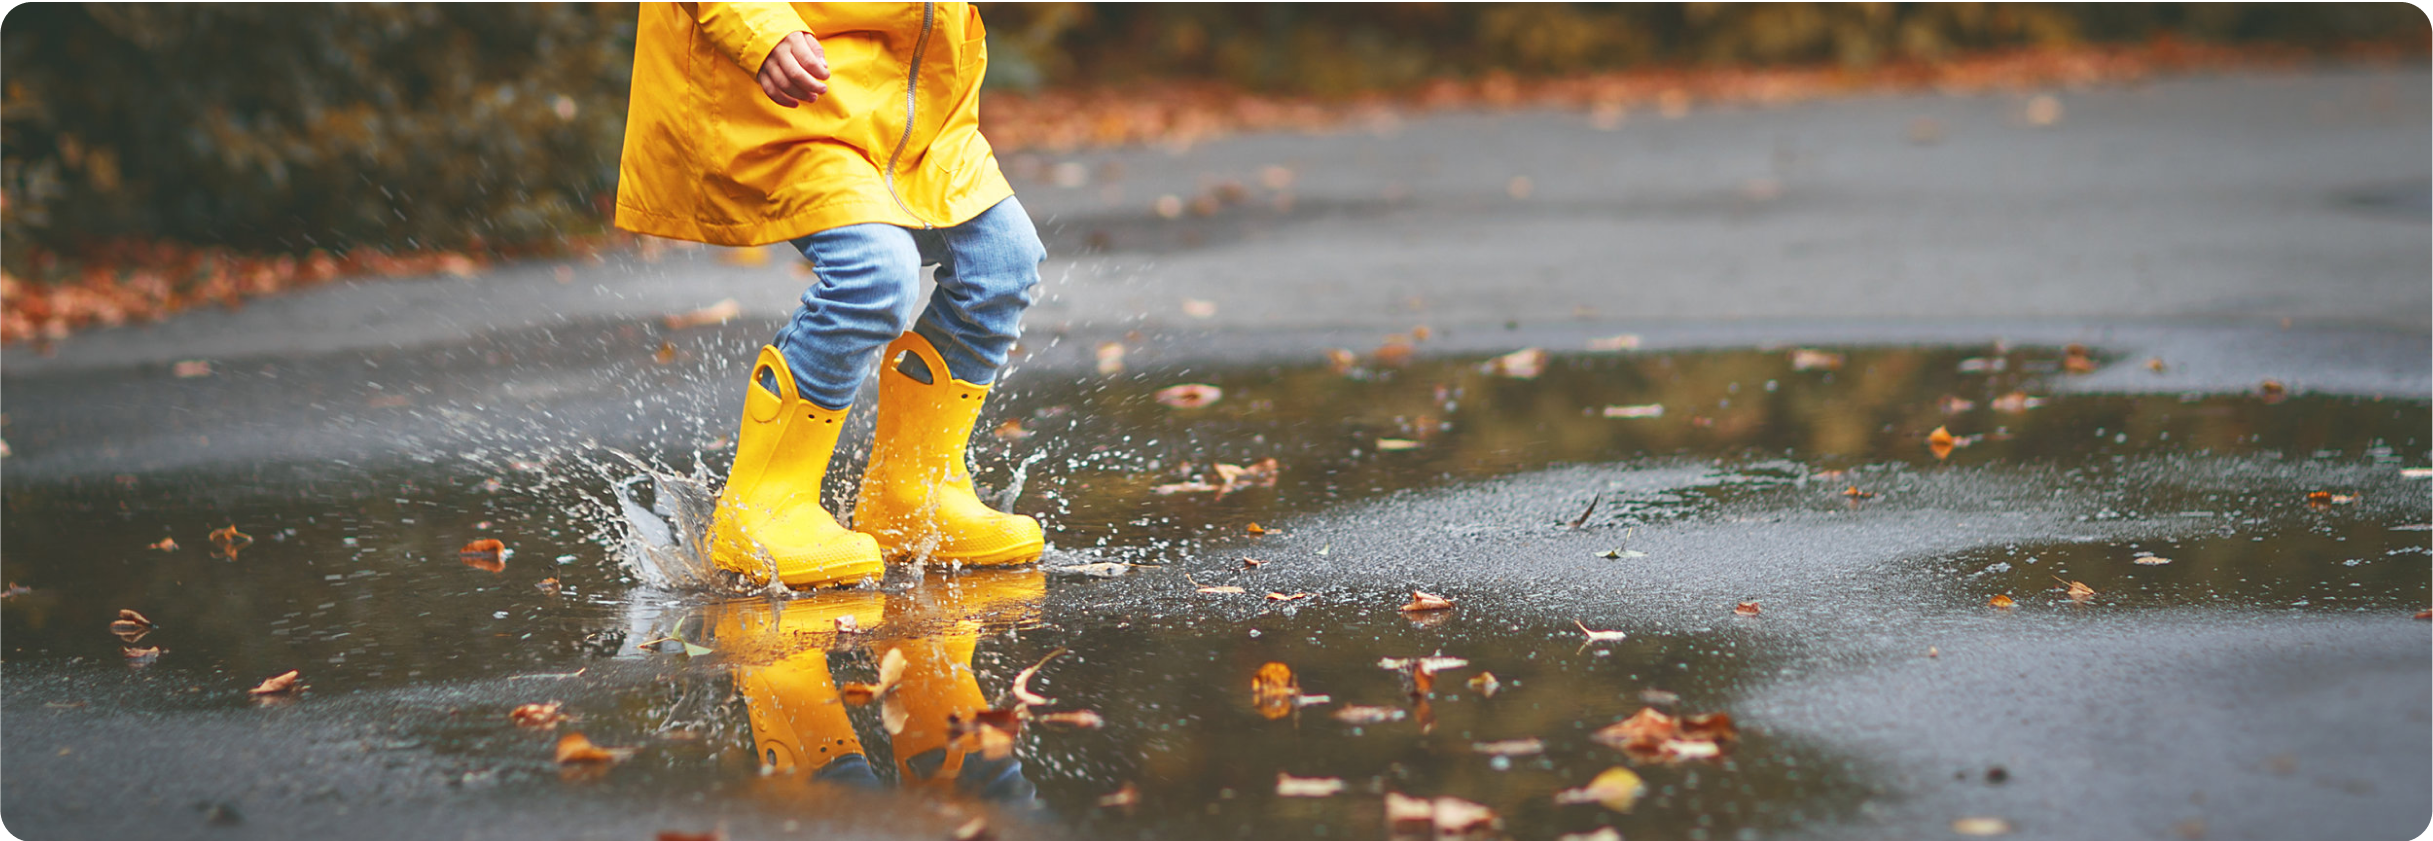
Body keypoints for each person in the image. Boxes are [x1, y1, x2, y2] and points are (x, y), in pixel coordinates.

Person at [616, 3, 1046, 589]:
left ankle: (913, 493)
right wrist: (761, 31)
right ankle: (765, 509)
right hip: (795, 104)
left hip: (917, 108)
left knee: (1005, 261)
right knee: (874, 276)